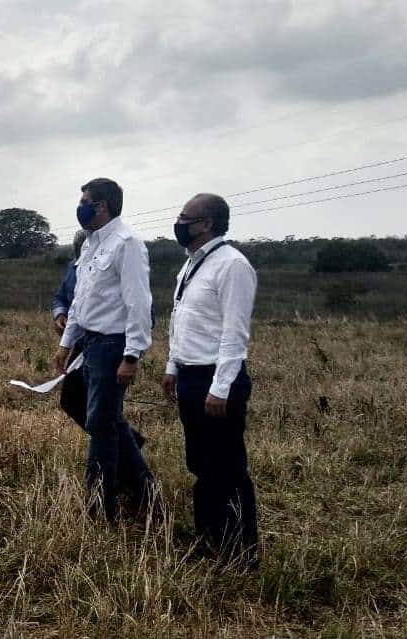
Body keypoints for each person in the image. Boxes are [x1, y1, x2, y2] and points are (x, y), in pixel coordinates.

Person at [161, 193, 259, 568]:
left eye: (186, 217)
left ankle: (240, 552)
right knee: (201, 464)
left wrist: (221, 387)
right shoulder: (191, 266)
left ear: (206, 223)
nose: (179, 222)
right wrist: (172, 366)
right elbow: (180, 321)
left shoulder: (232, 265)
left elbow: (235, 334)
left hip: (217, 381)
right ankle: (209, 539)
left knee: (228, 468)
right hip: (189, 375)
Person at [53, 178, 157, 523]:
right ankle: (146, 491)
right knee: (106, 420)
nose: (80, 206)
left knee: (101, 422)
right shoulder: (91, 245)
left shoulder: (126, 244)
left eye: (85, 200)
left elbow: (139, 303)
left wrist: (132, 355)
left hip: (113, 345)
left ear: (103, 206)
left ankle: (100, 505)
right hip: (91, 343)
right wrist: (66, 343)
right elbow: (81, 300)